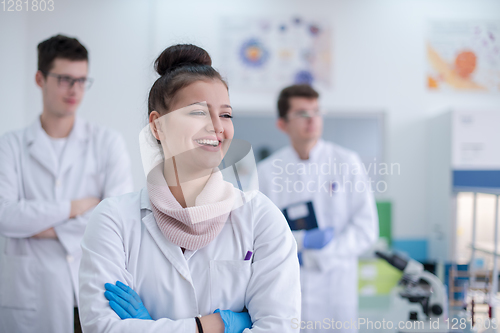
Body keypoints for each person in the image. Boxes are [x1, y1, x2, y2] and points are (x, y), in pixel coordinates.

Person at [78, 44, 301, 333]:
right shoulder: (113, 220)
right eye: (198, 112)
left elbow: (279, 328)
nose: (217, 127)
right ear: (158, 127)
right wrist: (213, 325)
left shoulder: (260, 217)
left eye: (226, 115)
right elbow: (102, 328)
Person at [0, 34, 134, 333]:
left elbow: (118, 222)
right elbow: (5, 217)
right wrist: (78, 206)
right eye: (64, 79)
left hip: (93, 290)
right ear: (39, 78)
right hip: (32, 296)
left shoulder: (107, 143)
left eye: (82, 80)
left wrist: (35, 227)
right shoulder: (10, 146)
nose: (74, 90)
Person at [257, 84, 379, 333]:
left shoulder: (346, 162)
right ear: (282, 124)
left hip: (336, 289)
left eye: (316, 111)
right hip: (287, 288)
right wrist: (299, 242)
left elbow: (366, 228)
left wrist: (321, 255)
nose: (311, 119)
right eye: (302, 113)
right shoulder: (267, 172)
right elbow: (260, 234)